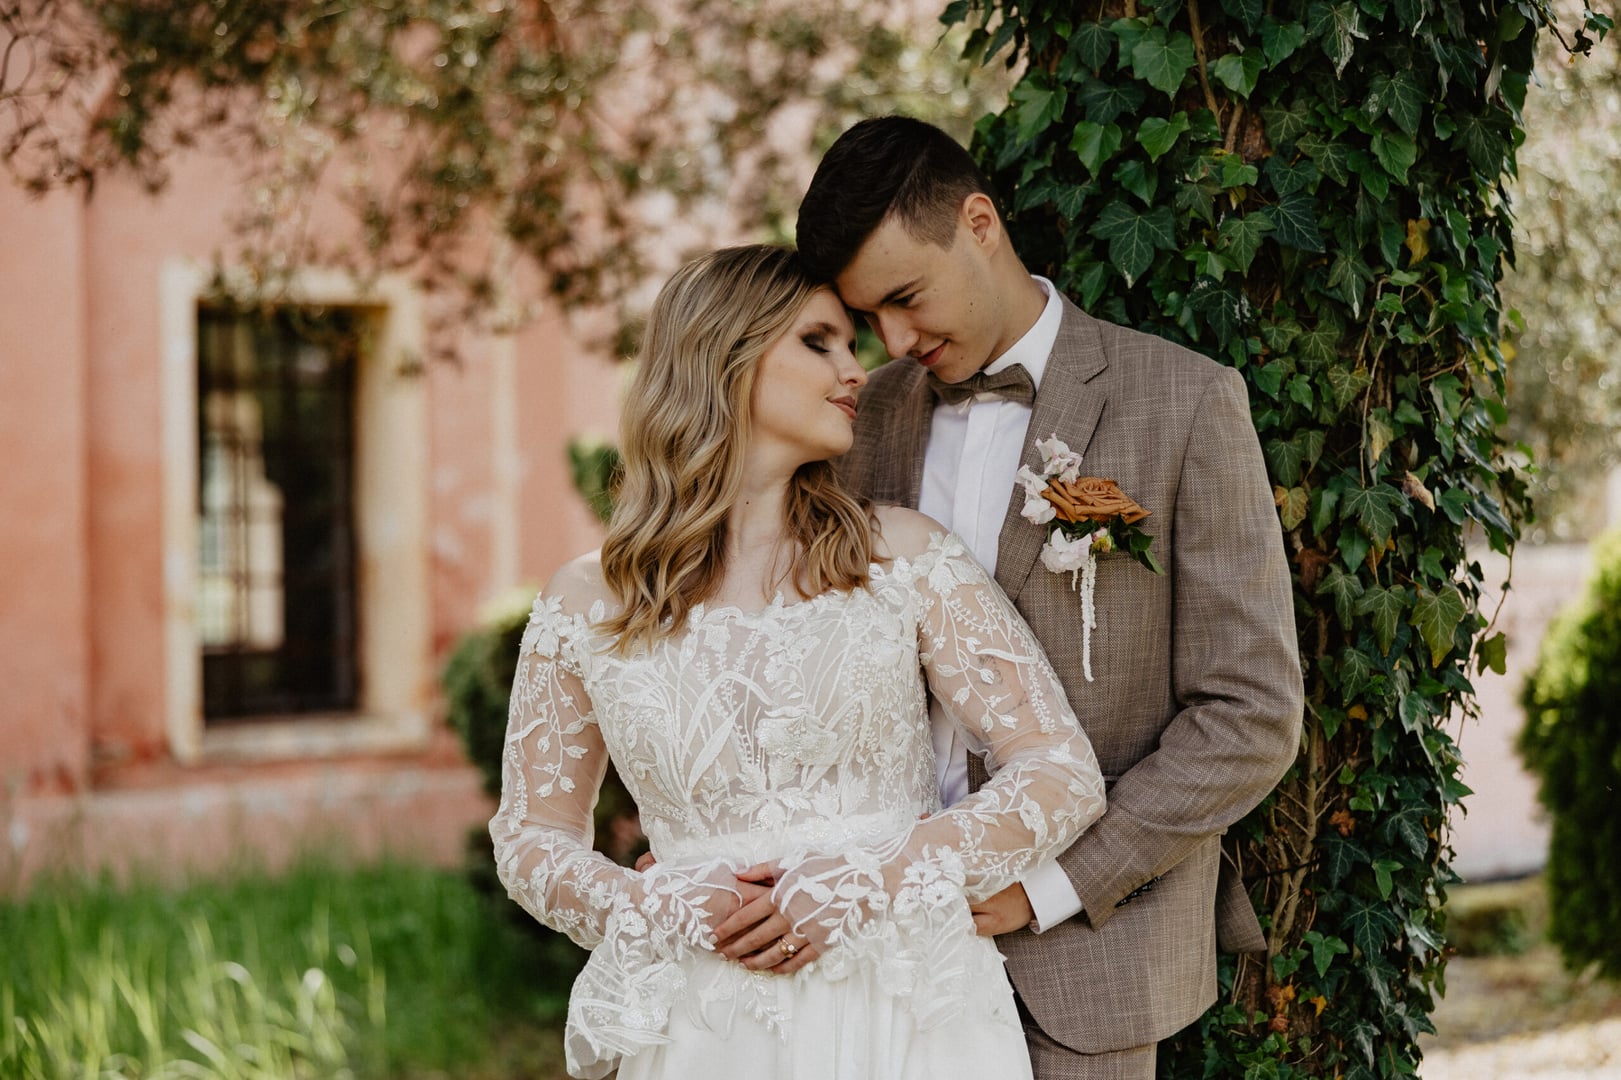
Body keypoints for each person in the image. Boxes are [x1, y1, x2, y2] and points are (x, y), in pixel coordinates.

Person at [489, 243, 1108, 1080]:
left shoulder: (903, 557)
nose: (856, 369)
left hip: (903, 1007)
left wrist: (872, 881)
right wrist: (647, 903)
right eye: (818, 343)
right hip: (701, 1027)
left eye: (849, 345)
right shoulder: (586, 602)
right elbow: (532, 837)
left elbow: (1059, 769)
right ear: (726, 359)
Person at [787, 116, 1305, 1079]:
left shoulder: (1186, 403)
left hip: (1082, 965)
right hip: (874, 956)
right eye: (870, 319)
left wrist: (1050, 885)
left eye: (905, 297)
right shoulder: (854, 426)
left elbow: (1250, 716)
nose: (894, 341)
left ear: (977, 223)